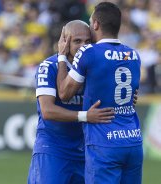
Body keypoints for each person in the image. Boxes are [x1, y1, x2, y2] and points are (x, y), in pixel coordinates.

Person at [57, 2, 143, 184]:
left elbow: (64, 93)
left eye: (90, 22)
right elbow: (131, 96)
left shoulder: (89, 52)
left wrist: (62, 57)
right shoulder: (134, 55)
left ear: (95, 24)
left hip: (104, 142)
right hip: (133, 140)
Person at [27, 20, 115, 184]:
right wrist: (85, 116)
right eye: (77, 41)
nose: (83, 46)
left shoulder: (95, 67)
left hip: (86, 150)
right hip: (53, 149)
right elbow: (48, 111)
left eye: (87, 41)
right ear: (65, 42)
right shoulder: (49, 66)